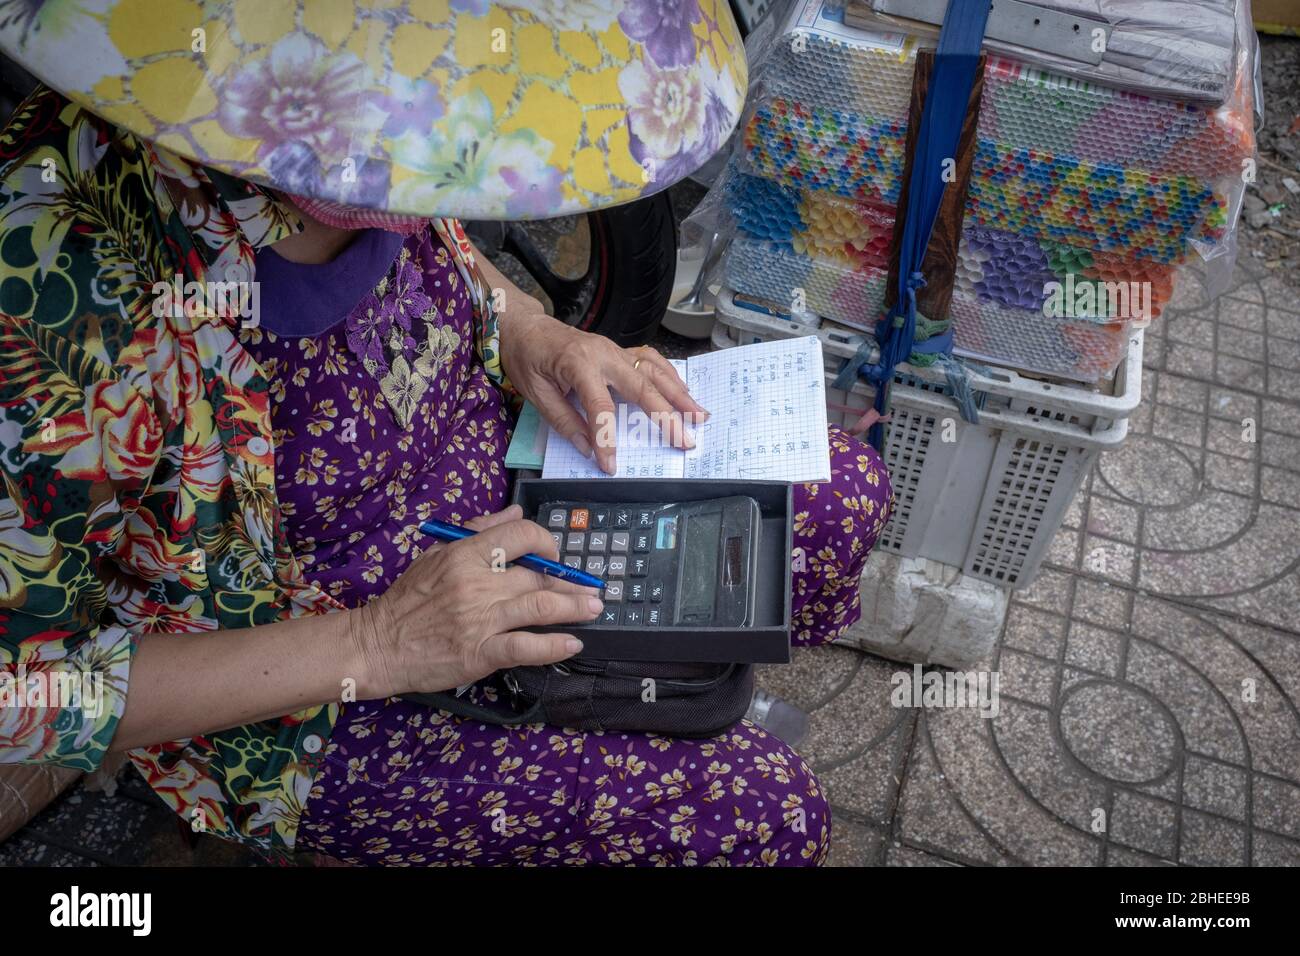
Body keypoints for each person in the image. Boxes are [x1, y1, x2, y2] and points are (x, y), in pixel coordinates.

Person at [0, 2, 892, 866]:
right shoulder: (47, 291)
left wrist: (528, 333)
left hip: (501, 482)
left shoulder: (402, 122)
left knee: (836, 497)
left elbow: (440, 241)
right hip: (310, 675)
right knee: (761, 812)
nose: (425, 167)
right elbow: (22, 693)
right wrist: (382, 642)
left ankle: (656, 694)